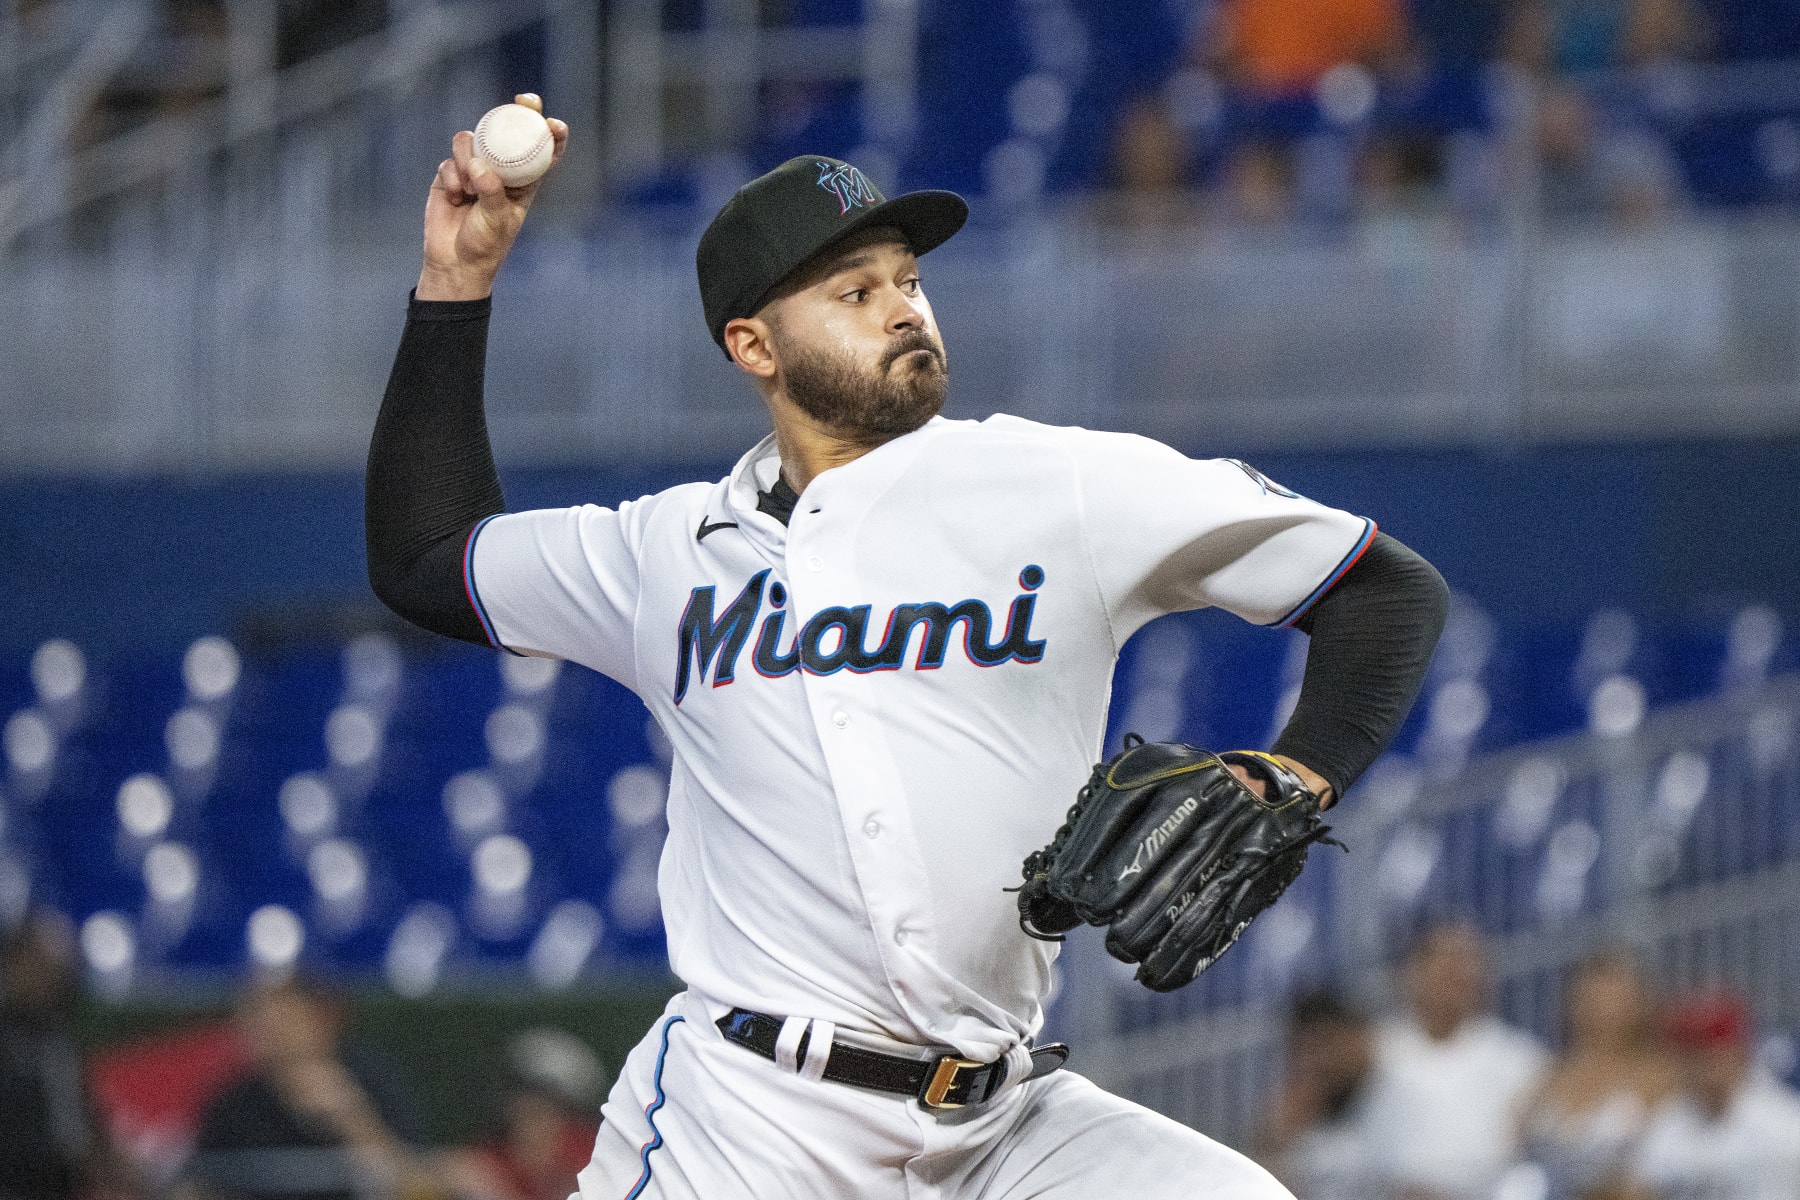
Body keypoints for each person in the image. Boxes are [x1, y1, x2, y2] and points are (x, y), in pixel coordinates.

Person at [365, 93, 1449, 1198]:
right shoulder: (663, 553)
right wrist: (458, 283)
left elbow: (1381, 588)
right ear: (753, 344)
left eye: (910, 282)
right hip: (748, 1124)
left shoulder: (1054, 484)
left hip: (1006, 1123)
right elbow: (427, 560)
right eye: (855, 290)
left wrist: (1292, 770)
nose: (902, 309)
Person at [185, 977, 435, 1200]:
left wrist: (351, 1119)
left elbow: (415, 1183)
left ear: (319, 1020)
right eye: (257, 1016)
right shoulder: (234, 1101)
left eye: (284, 1017)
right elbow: (198, 1181)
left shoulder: (369, 1076)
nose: (271, 1031)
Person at [1358, 921, 1549, 1199]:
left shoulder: (1519, 1057)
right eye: (1442, 965)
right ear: (1412, 973)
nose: (1453, 976)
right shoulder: (1373, 1052)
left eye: (1463, 964)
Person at [1519, 951, 1680, 1200]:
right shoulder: (1549, 1076)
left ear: (1640, 1002)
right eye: (1594, 995)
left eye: (1615, 996)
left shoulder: (1661, 1076)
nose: (1603, 1008)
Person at [0, 910, 129, 1200]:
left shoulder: (57, 1036)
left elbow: (78, 1119)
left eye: (60, 964)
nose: (56, 974)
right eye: (42, 964)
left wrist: (111, 1163)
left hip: (59, 1184)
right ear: (15, 964)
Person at [1631, 990, 1800, 1200]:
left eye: (1714, 1048)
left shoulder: (1786, 1123)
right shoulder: (1666, 1123)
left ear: (1738, 1050)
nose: (1705, 1062)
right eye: (1693, 1050)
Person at [443, 1030, 602, 1200]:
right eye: (522, 1094)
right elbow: (440, 1172)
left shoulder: (591, 1153)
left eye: (546, 1099)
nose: (529, 1107)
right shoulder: (498, 1154)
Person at [1259, 989, 1380, 1200]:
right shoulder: (1295, 1110)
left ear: (1357, 1037)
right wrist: (1276, 1141)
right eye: (1309, 1049)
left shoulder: (1395, 1086)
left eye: (1328, 1043)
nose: (1321, 1061)